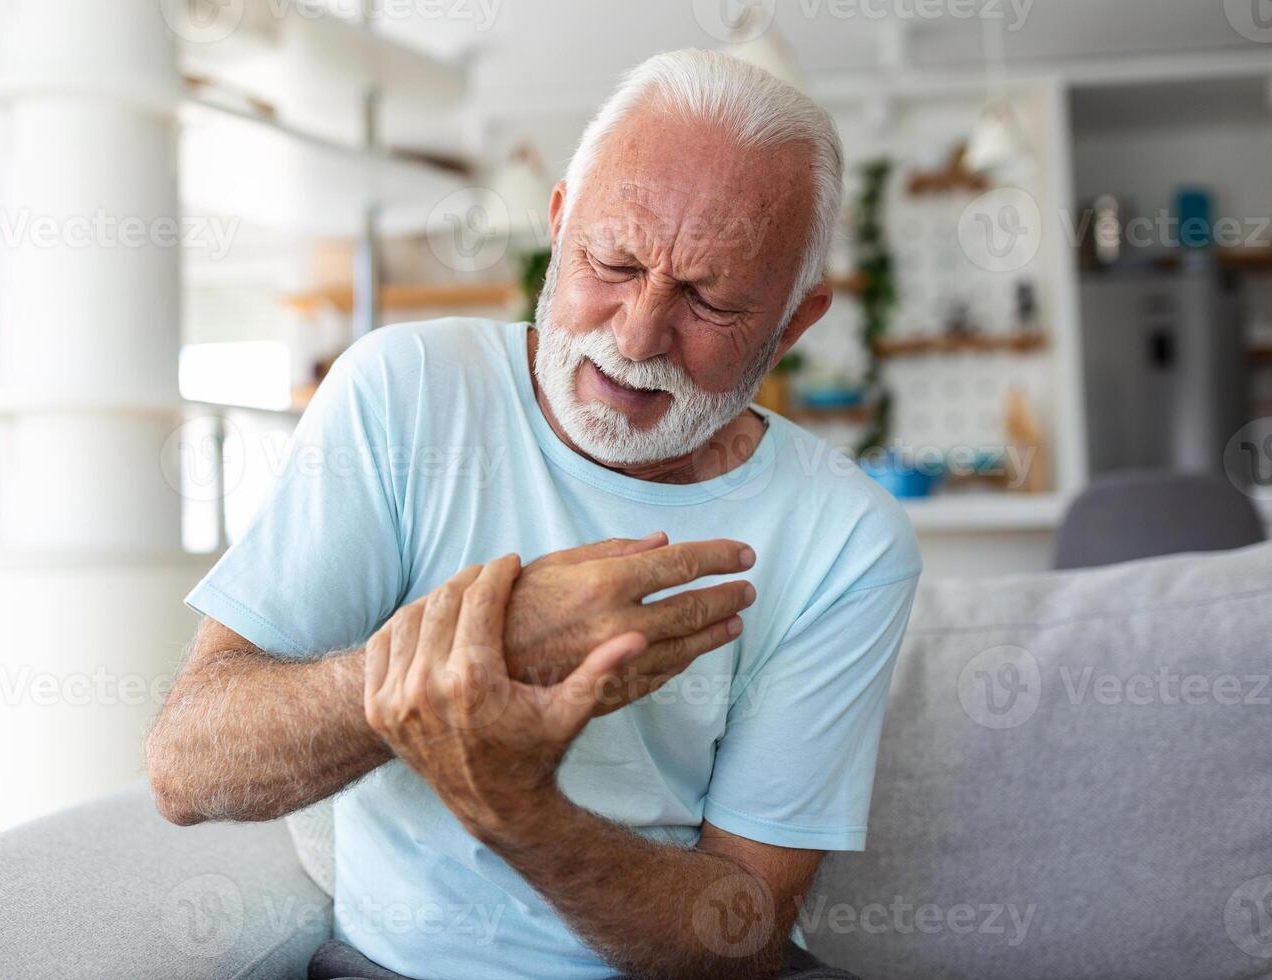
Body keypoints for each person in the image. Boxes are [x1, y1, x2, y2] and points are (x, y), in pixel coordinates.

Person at [148, 48, 920, 980]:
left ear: (793, 325)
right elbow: (189, 769)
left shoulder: (849, 537)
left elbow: (744, 932)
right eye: (614, 260)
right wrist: (494, 649)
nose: (635, 335)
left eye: (710, 299)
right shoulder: (405, 391)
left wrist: (519, 806)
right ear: (557, 227)